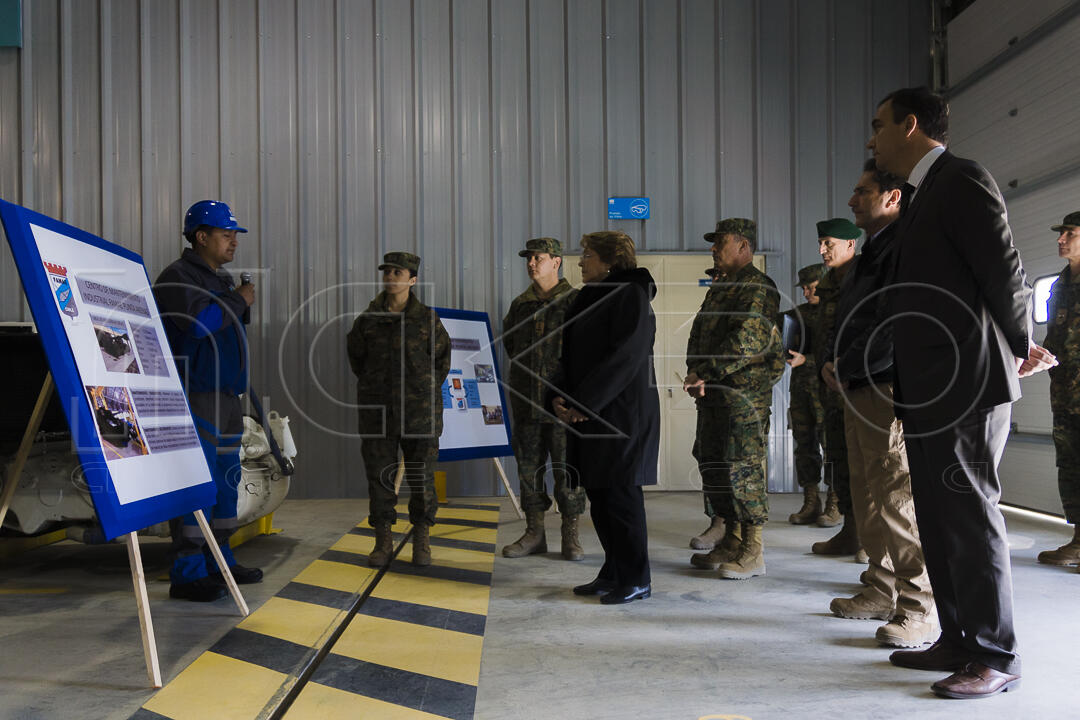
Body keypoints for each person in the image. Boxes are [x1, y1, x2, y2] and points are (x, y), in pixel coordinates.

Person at [869, 86, 1055, 699]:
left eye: (879, 126)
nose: (872, 140)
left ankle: (995, 656)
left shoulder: (961, 178)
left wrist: (1019, 344)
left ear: (910, 126)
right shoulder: (926, 194)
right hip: (928, 386)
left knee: (970, 518)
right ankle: (957, 639)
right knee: (941, 517)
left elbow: (1004, 270)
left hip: (966, 383)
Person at [822, 159, 935, 648]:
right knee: (867, 493)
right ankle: (880, 587)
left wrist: (844, 365)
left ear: (893, 198)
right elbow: (855, 319)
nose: (852, 201)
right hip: (857, 384)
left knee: (898, 496)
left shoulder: (905, 247)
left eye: (862, 192)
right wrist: (834, 363)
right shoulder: (872, 251)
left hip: (886, 385)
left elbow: (894, 322)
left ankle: (919, 608)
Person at [154, 200, 262, 602]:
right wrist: (240, 300)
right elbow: (199, 324)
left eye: (234, 234)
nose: (233, 241)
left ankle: (220, 561)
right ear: (201, 236)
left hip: (224, 396)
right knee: (198, 484)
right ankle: (187, 573)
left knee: (226, 484)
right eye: (225, 234)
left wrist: (235, 298)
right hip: (196, 395)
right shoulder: (179, 276)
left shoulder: (217, 279)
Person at [550, 231, 659, 604]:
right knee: (599, 495)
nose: (581, 261)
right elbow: (569, 356)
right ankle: (613, 571)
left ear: (611, 260)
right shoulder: (587, 297)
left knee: (622, 498)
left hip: (620, 417)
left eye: (587, 255)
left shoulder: (631, 296)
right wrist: (559, 398)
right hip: (589, 415)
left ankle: (637, 578)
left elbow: (624, 359)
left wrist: (585, 403)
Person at [683, 218, 785, 580]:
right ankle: (730, 539)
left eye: (720, 242)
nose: (713, 248)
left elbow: (747, 341)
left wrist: (704, 371)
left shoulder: (757, 287)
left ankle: (752, 549)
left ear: (743, 246)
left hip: (743, 397)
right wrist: (696, 373)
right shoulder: (723, 287)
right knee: (713, 462)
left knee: (742, 466)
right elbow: (701, 334)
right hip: (713, 394)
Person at [346, 252, 451, 568]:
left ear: (413, 279)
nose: (391, 277)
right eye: (387, 272)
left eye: (398, 272)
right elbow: (357, 361)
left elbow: (442, 362)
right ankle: (383, 540)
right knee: (380, 476)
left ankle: (421, 539)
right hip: (378, 412)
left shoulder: (428, 320)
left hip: (421, 413)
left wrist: (420, 389)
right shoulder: (367, 321)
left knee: (421, 478)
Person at [500, 237, 587, 561]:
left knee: (569, 472)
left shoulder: (576, 302)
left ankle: (571, 535)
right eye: (529, 259)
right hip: (526, 404)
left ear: (556, 261)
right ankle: (534, 533)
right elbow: (512, 346)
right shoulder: (519, 306)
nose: (531, 264)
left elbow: (587, 355)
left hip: (564, 407)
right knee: (529, 470)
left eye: (538, 258)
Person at [809, 219, 861, 555]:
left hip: (861, 386)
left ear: (850, 244)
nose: (822, 250)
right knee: (839, 462)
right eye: (821, 243)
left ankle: (871, 542)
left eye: (829, 243)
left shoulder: (865, 277)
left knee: (866, 467)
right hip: (831, 387)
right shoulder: (827, 284)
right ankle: (850, 532)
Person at [1039, 211, 1080, 567]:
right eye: (1061, 232)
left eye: (1069, 232)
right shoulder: (1059, 285)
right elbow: (1055, 339)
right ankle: (1079, 540)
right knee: (1070, 464)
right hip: (1065, 395)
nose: (1060, 239)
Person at [784, 263, 827, 524]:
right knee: (804, 446)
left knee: (832, 446)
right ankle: (811, 502)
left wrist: (807, 360)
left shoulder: (835, 313)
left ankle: (835, 503)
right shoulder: (796, 315)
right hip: (800, 390)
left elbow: (838, 354)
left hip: (826, 391)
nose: (807, 292)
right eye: (804, 288)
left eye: (812, 287)